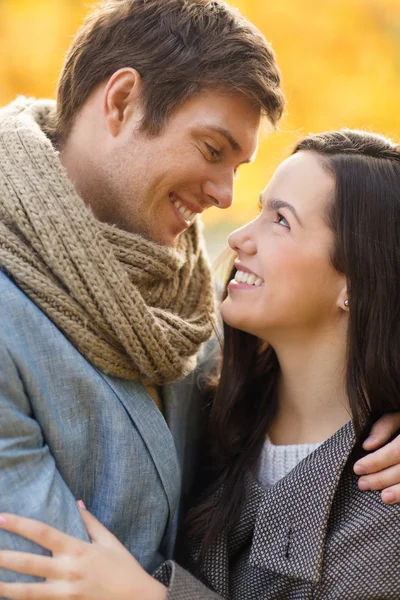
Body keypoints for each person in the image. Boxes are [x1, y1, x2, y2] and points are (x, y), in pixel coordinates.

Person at [1, 129, 400, 600]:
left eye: (281, 221)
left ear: (355, 281)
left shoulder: (385, 518)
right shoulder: (203, 397)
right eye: (259, 210)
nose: (238, 237)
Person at [0, 0, 286, 580]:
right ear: (122, 101)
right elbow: (39, 580)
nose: (227, 196)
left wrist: (368, 429)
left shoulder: (187, 298)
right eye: (212, 150)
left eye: (238, 165)